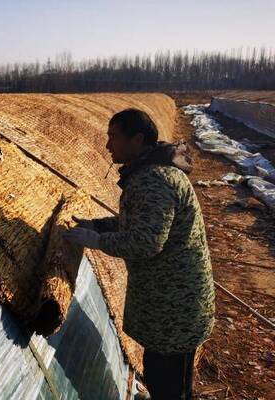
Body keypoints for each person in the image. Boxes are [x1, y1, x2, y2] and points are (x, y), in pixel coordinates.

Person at [62, 108, 216, 400]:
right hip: (170, 305)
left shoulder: (154, 181)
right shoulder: (151, 173)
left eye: (113, 137)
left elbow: (146, 242)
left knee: (170, 387)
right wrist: (96, 225)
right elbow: (139, 222)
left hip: (176, 309)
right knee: (162, 376)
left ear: (137, 140)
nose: (108, 145)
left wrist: (96, 240)